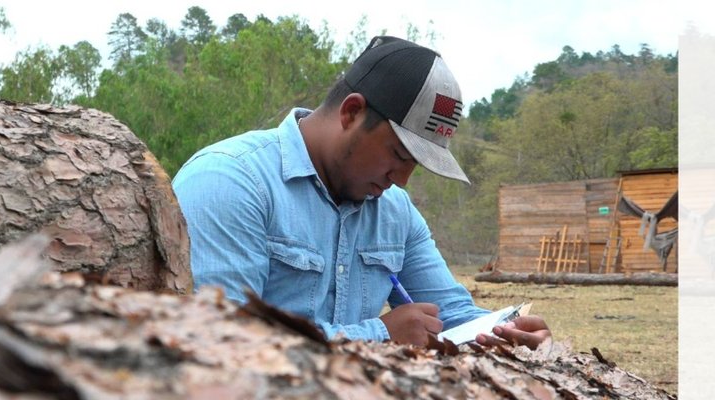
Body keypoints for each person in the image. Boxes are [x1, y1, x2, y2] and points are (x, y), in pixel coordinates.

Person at [172, 36, 551, 349]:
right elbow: (219, 339)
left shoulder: (394, 211)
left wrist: (503, 333)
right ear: (351, 113)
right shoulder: (229, 182)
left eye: (414, 166)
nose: (402, 180)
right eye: (399, 155)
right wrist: (379, 335)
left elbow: (450, 312)